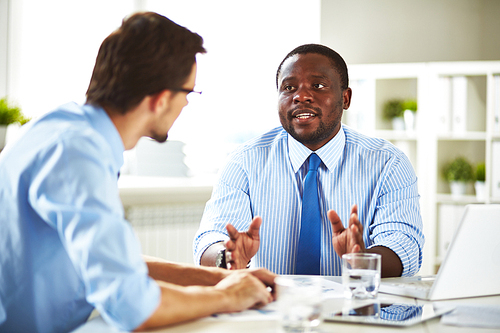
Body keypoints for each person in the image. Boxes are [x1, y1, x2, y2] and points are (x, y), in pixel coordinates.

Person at [0, 12, 275, 333]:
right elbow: (133, 305)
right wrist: (229, 296)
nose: (186, 105)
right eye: (189, 92)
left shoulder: (64, 129)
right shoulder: (79, 155)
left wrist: (224, 278)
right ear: (160, 99)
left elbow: (117, 267)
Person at [194, 44, 424, 278]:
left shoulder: (388, 163)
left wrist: (361, 260)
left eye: (318, 85)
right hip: (271, 307)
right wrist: (228, 257)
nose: (300, 96)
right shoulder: (243, 162)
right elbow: (209, 240)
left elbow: (405, 246)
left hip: (356, 309)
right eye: (289, 87)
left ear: (345, 98)